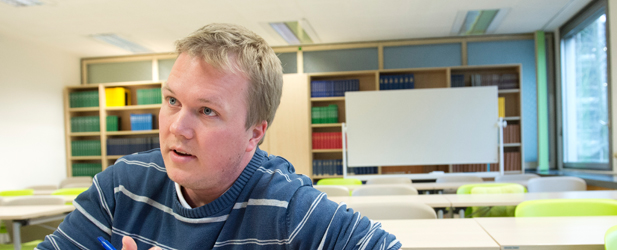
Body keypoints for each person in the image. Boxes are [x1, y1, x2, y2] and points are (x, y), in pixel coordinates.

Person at [37, 23, 401, 250]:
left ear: (254, 133)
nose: (177, 127)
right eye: (172, 101)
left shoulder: (289, 210)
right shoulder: (120, 188)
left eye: (207, 111)